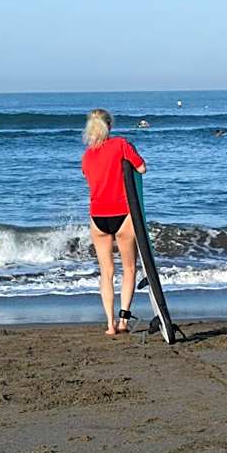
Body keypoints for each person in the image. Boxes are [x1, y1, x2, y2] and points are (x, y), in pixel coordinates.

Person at [81, 109, 146, 336]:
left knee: (105, 272)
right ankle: (123, 321)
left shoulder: (87, 155)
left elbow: (90, 177)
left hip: (97, 217)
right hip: (122, 213)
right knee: (129, 268)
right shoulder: (120, 144)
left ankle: (109, 325)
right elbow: (141, 167)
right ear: (109, 125)